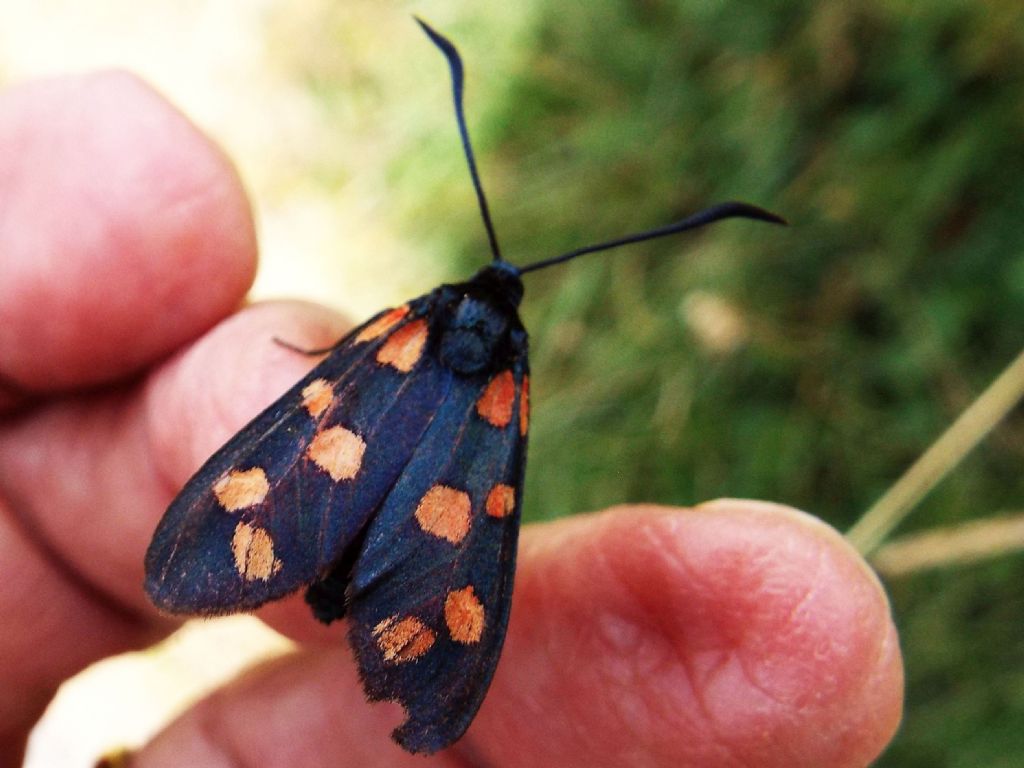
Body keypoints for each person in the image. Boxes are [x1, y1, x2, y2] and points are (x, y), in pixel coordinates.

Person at [0, 71, 903, 768]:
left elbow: (349, 352)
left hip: (338, 454)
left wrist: (338, 362)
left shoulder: (413, 322)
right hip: (430, 528)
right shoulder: (504, 378)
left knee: (301, 430)